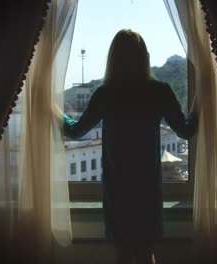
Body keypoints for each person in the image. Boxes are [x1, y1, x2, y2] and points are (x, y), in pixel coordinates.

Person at [63, 29, 197, 264]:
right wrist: (201, 102)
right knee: (146, 252)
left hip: (119, 189)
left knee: (123, 253)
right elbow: (185, 131)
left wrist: (54, 112)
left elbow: (75, 131)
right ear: (144, 56)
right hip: (147, 188)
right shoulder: (160, 91)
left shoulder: (106, 94)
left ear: (113, 58)